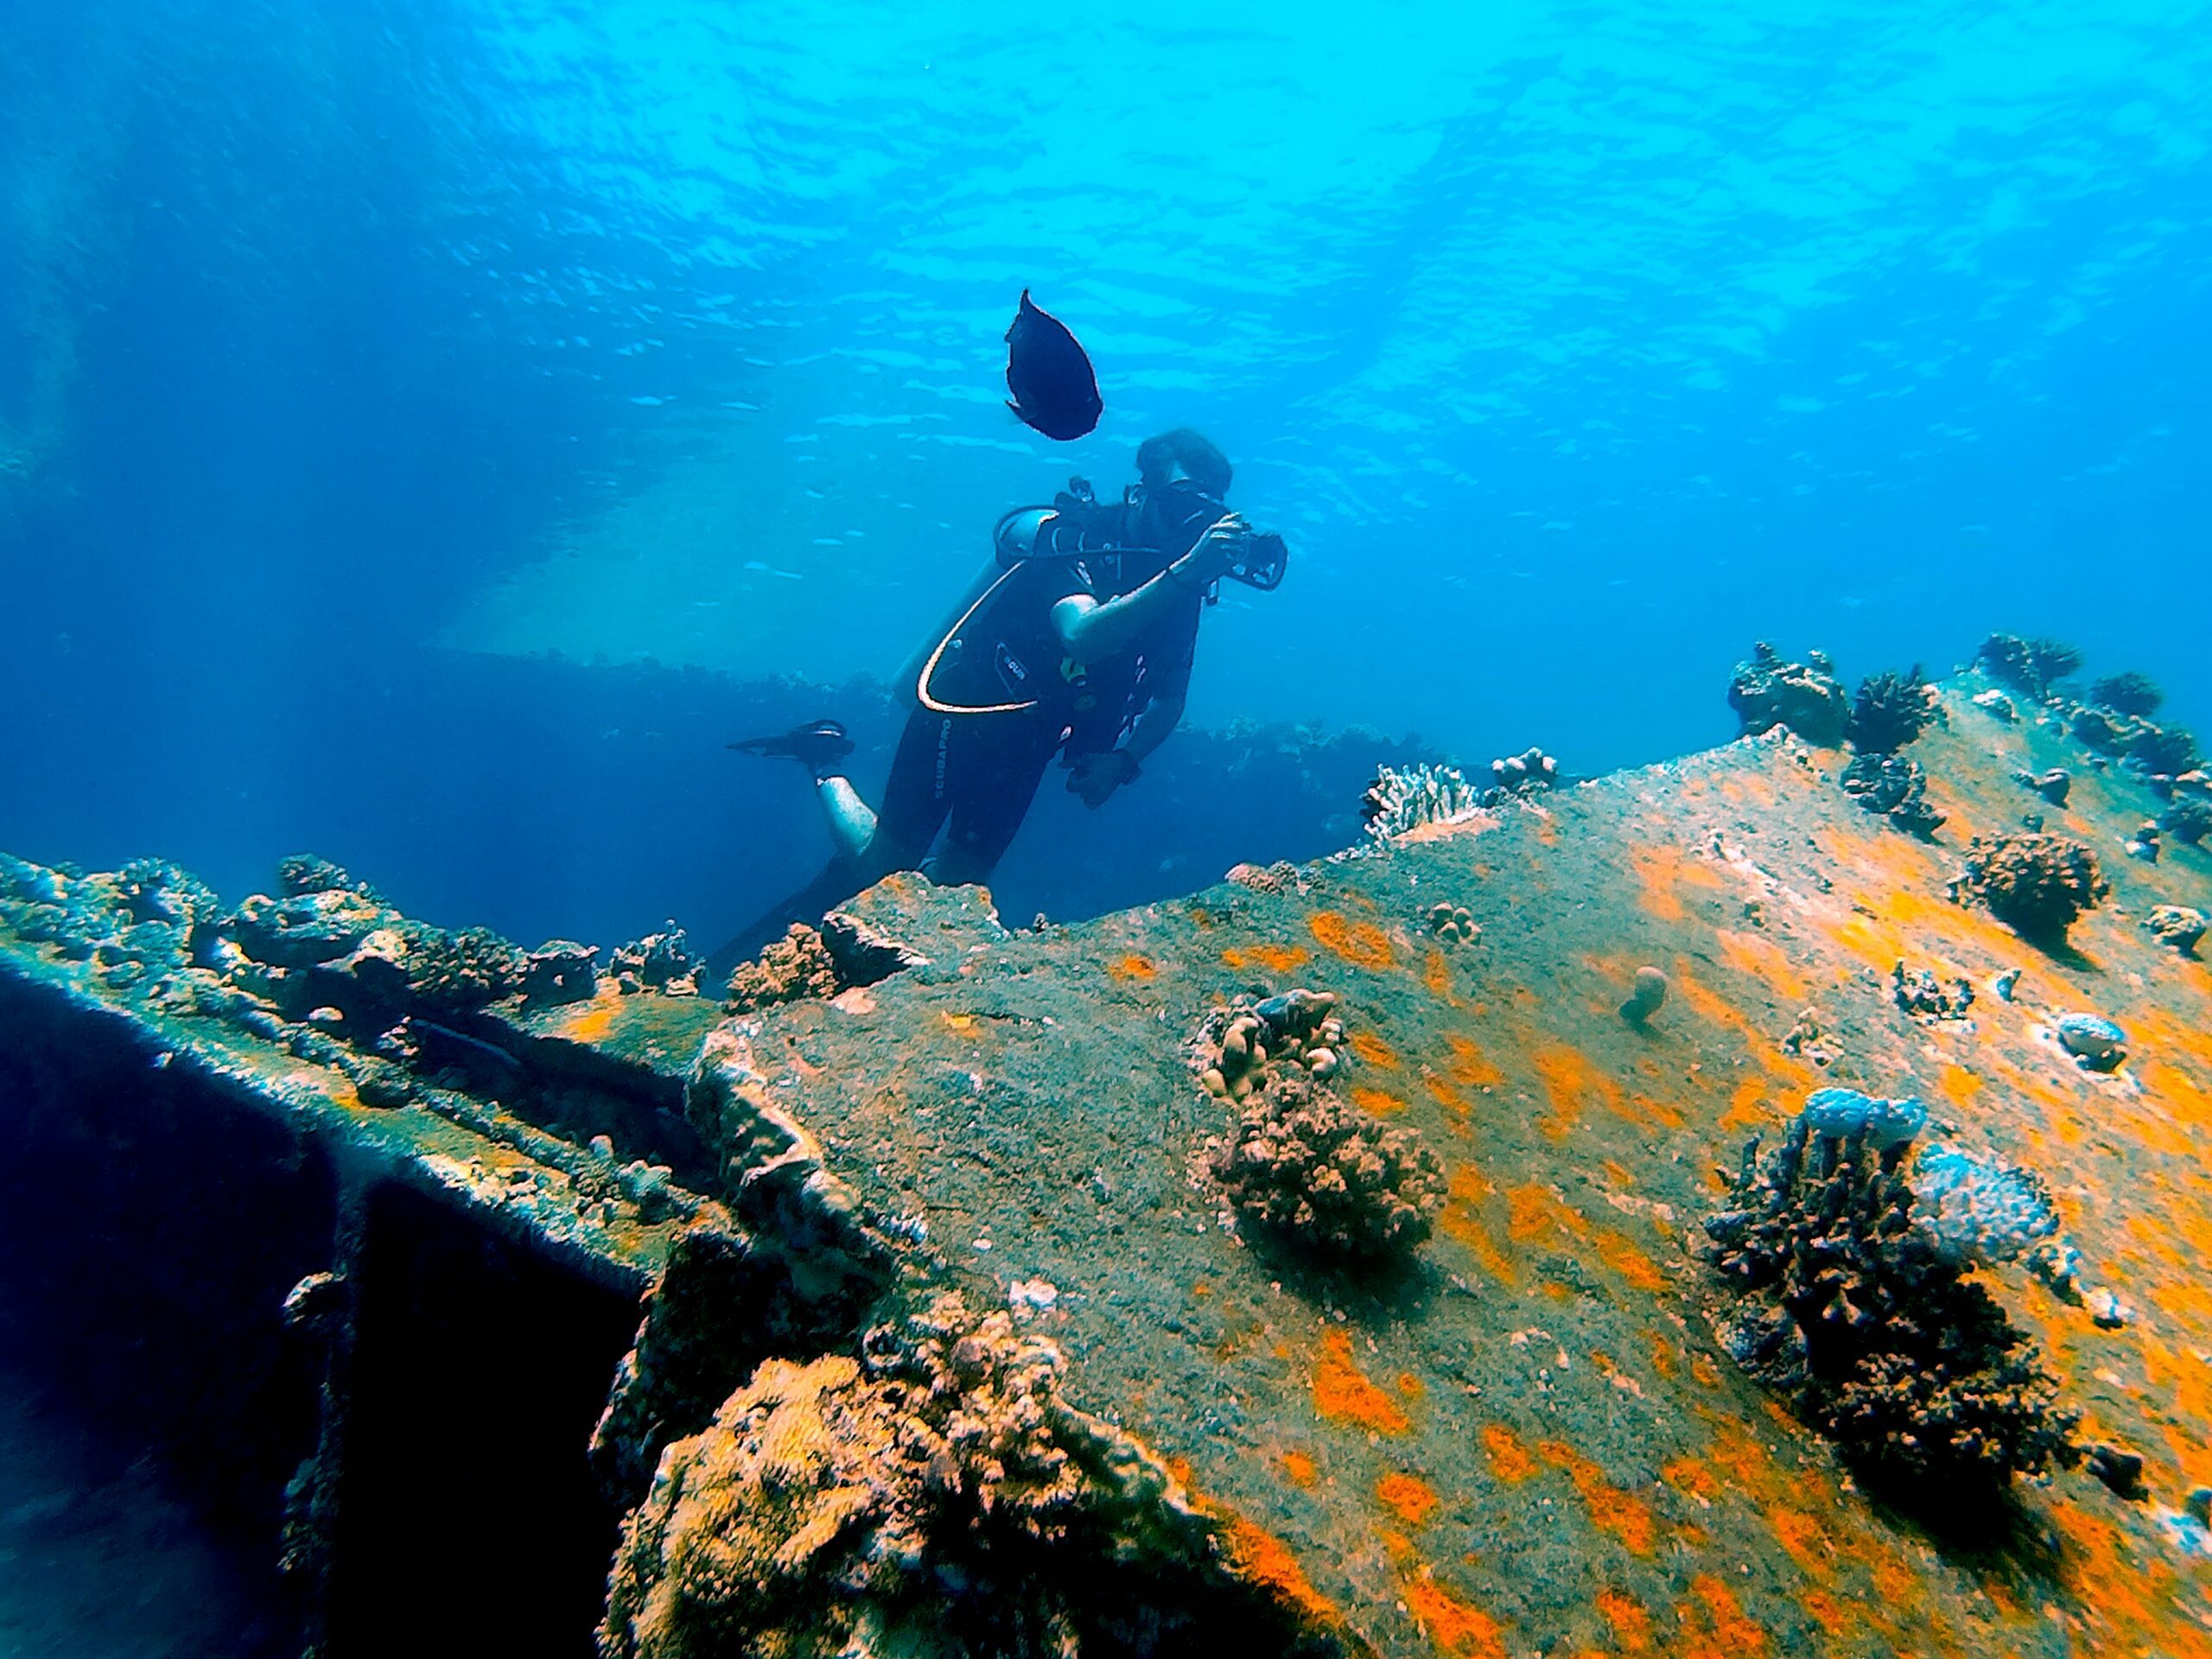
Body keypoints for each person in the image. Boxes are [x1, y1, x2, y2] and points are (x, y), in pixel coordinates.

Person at [713, 429, 1286, 972]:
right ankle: (823, 761)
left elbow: (1169, 699)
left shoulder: (1180, 585)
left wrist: (1123, 761)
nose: (1189, 526)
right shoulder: (1074, 538)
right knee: (885, 865)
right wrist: (1186, 572)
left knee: (958, 889)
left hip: (1031, 742)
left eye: (1204, 511)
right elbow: (1081, 635)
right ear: (1145, 492)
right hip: (965, 710)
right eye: (1181, 505)